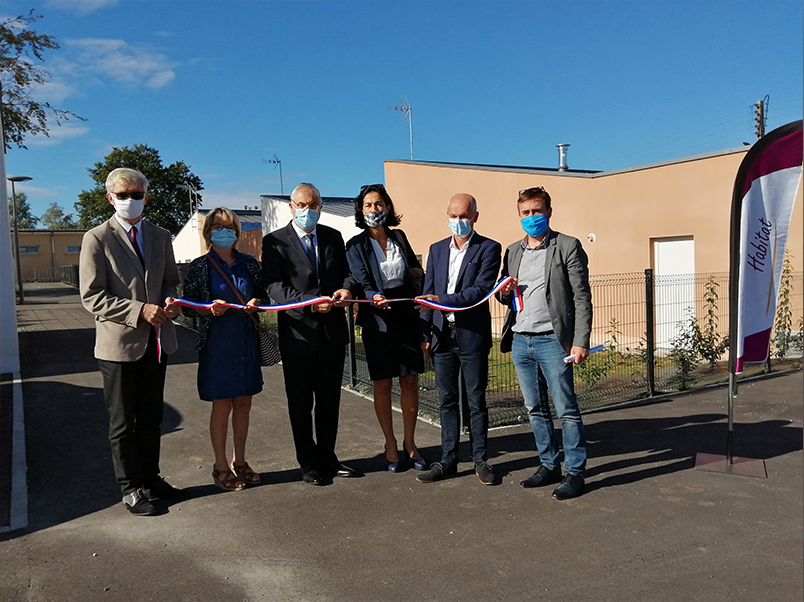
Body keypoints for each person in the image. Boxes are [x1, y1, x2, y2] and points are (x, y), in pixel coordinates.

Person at [79, 167, 184, 516]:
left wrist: (169, 300)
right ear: (110, 198)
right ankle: (130, 488)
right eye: (122, 195)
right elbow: (92, 296)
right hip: (118, 347)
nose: (130, 200)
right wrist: (140, 310)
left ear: (146, 197)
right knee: (123, 423)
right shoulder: (96, 238)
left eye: (136, 194)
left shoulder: (160, 235)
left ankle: (151, 479)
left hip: (157, 342)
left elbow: (171, 280)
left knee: (151, 418)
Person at [497, 186, 592, 500]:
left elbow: (581, 297)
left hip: (554, 341)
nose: (531, 217)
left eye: (537, 211)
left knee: (566, 409)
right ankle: (548, 464)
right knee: (535, 408)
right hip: (521, 341)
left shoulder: (567, 246)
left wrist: (580, 342)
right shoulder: (512, 251)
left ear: (549, 212)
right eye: (526, 213)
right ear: (519, 214)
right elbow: (502, 295)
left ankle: (575, 472)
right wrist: (505, 292)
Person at [261, 183, 359, 485]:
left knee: (329, 401)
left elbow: (347, 274)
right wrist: (309, 304)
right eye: (302, 205)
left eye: (314, 204)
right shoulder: (275, 242)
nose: (308, 210)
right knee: (301, 402)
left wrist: (346, 288)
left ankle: (328, 457)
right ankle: (308, 462)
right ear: (291, 207)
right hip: (299, 334)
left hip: (332, 334)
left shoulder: (333, 236)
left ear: (320, 206)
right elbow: (274, 286)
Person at [415, 193, 502, 485]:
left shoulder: (489, 248)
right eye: (453, 216)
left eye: (464, 216)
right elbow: (428, 295)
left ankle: (481, 460)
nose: (458, 221)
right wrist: (425, 332)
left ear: (475, 216)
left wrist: (443, 300)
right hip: (442, 337)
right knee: (447, 401)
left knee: (476, 401)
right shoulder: (436, 250)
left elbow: (479, 291)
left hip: (471, 335)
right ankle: (448, 460)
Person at [181, 208, 264, 491]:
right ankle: (219, 467)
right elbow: (187, 304)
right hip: (217, 343)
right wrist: (207, 309)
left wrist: (255, 301)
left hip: (245, 341)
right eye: (217, 226)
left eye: (229, 227)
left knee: (243, 403)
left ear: (237, 232)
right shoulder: (199, 265)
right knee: (222, 405)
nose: (224, 231)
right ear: (208, 233)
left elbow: (264, 294)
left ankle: (239, 461)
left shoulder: (249, 263)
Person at [345, 184, 426, 472]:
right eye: (368, 205)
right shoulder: (355, 245)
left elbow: (414, 272)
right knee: (382, 383)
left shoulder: (400, 237)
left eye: (379, 204)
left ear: (388, 207)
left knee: (410, 381)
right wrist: (371, 296)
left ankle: (410, 442)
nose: (374, 210)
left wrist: (424, 294)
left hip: (405, 316)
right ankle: (390, 444)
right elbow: (361, 279)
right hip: (377, 320)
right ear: (361, 210)